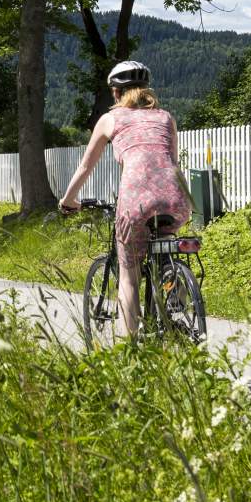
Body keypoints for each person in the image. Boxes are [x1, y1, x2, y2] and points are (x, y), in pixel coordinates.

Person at [59, 60, 191, 337]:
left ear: (116, 93)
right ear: (145, 89)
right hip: (177, 198)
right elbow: (172, 162)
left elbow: (85, 167)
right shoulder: (166, 117)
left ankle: (127, 351)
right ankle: (173, 281)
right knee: (166, 247)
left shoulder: (110, 119)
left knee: (129, 277)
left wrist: (68, 200)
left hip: (136, 200)